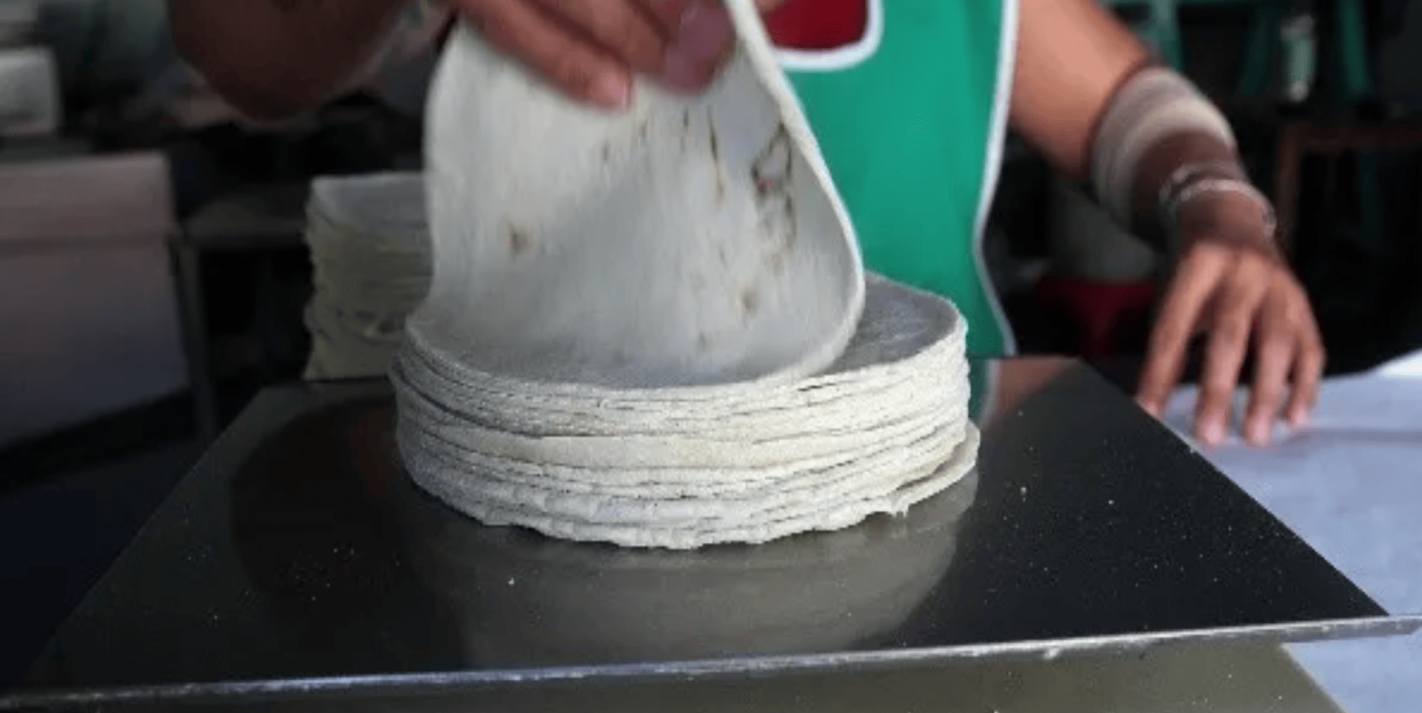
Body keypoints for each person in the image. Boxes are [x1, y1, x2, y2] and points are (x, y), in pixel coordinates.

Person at [171, 0, 1325, 446]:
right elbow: (245, 55)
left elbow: (1126, 104)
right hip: (572, 494)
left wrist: (1217, 205)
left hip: (936, 486)